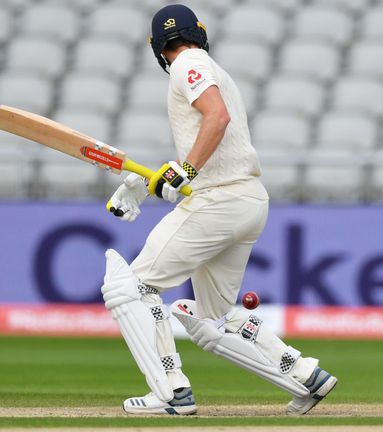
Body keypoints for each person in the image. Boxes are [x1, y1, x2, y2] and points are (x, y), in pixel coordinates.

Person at [100, 4, 337, 415]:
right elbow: (208, 145)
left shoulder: (187, 64)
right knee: (212, 318)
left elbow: (217, 117)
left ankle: (170, 392)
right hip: (246, 200)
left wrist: (185, 169)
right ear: (201, 31)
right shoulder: (206, 63)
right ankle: (302, 374)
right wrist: (148, 184)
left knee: (131, 288)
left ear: (156, 47)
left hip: (220, 199)